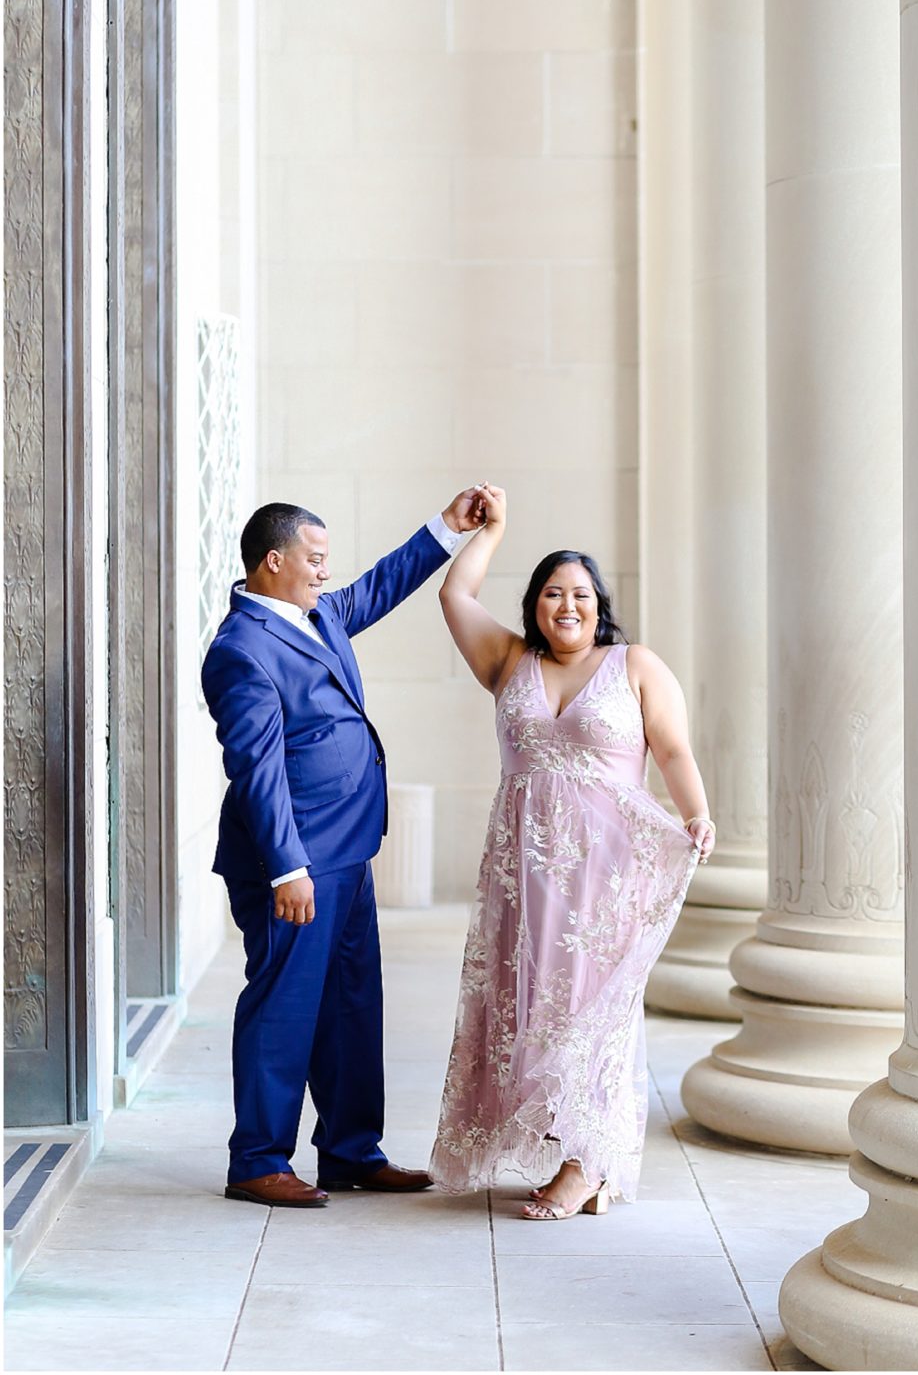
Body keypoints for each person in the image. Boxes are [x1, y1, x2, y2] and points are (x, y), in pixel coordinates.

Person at [429, 484, 715, 1219]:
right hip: (522, 876)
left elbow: (672, 748)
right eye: (553, 593)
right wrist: (493, 528)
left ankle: (586, 1164)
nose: (568, 606)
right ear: (533, 605)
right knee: (525, 1013)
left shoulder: (635, 666)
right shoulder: (507, 662)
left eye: (581, 595)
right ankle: (566, 1147)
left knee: (594, 1011)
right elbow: (453, 594)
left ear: (599, 605)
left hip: (603, 875)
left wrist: (697, 812)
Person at [202, 490, 484, 1208]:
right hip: (293, 864)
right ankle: (258, 1161)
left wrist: (443, 530)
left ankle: (351, 1152)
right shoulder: (241, 651)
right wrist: (286, 868)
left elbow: (379, 587)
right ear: (274, 562)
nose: (327, 574)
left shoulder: (318, 613)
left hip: (348, 851)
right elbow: (257, 769)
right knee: (284, 1007)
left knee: (352, 1002)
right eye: (315, 560)